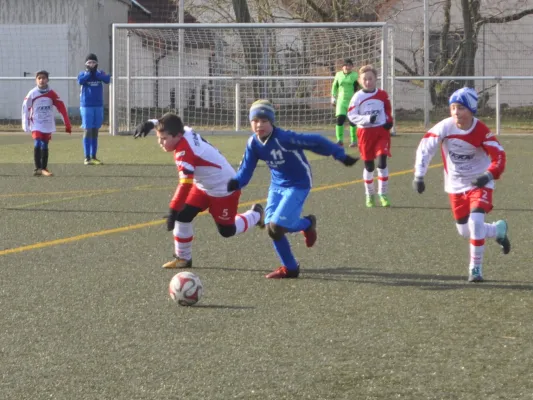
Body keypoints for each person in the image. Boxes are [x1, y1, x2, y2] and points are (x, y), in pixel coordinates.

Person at [227, 100, 359, 279]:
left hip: (299, 183)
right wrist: (236, 183)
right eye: (255, 120)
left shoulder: (284, 138)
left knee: (277, 226)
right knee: (271, 228)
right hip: (277, 185)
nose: (260, 125)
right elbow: (245, 170)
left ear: (272, 121)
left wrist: (340, 155)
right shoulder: (253, 143)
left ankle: (301, 239)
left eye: (264, 120)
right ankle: (296, 252)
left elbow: (316, 141)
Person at [133, 113, 265, 269]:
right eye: (159, 138)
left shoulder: (184, 152)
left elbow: (185, 185)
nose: (160, 143)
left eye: (164, 139)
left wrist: (173, 209)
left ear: (177, 136)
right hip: (203, 186)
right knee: (183, 215)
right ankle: (183, 258)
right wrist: (151, 123)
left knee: (227, 230)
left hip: (223, 188)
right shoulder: (185, 131)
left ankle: (256, 214)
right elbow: (170, 124)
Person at [412, 87, 510, 282]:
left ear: (472, 110)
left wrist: (488, 175)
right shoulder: (445, 127)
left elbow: (499, 156)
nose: (456, 112)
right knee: (465, 230)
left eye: (461, 108)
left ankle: (476, 269)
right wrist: (419, 175)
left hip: (479, 184)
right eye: (453, 107)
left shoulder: (481, 131)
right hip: (455, 185)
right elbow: (425, 148)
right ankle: (497, 230)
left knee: (475, 222)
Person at [347, 64, 394, 208]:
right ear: (361, 81)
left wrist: (389, 121)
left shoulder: (382, 95)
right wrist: (367, 120)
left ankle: (383, 193)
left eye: (371, 79)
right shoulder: (357, 97)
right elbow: (351, 116)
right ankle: (369, 194)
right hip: (365, 134)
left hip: (381, 133)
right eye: (365, 79)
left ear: (375, 79)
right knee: (369, 167)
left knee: (382, 162)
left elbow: (387, 110)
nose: (368, 82)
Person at [22, 70, 72, 177]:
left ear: (47, 80)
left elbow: (61, 108)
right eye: (39, 78)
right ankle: (37, 168)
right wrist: (25, 123)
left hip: (47, 123)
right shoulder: (32, 93)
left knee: (45, 144)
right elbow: (25, 108)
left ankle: (43, 168)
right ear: (36, 80)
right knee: (38, 142)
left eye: (43, 78)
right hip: (36, 123)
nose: (41, 80)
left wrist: (67, 124)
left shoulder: (52, 93)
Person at [77, 53, 110, 165]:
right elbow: (80, 81)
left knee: (95, 130)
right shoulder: (83, 73)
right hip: (86, 105)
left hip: (98, 105)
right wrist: (89, 73)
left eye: (94, 62)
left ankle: (94, 156)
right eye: (89, 62)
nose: (91, 64)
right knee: (88, 130)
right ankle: (87, 157)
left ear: (97, 64)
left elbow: (106, 79)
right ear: (86, 64)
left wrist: (95, 73)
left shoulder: (99, 73)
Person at [331, 58, 359, 148]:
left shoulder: (355, 75)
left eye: (350, 65)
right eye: (346, 65)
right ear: (342, 67)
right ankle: (339, 140)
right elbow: (334, 86)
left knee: (352, 121)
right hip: (341, 101)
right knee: (340, 119)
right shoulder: (338, 75)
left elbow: (361, 86)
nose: (348, 67)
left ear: (352, 67)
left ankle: (354, 141)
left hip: (352, 101)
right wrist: (333, 97)